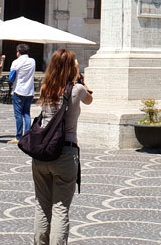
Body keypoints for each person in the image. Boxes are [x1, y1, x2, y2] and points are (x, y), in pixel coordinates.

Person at [32, 49, 93, 245]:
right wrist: (80, 77)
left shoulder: (45, 88)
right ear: (71, 67)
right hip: (66, 153)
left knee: (42, 205)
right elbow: (90, 98)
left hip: (42, 153)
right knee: (60, 208)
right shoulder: (78, 90)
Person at [10, 43, 37, 143]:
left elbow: (11, 78)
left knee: (18, 115)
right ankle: (27, 134)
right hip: (29, 91)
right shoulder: (32, 61)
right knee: (27, 113)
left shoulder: (16, 62)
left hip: (19, 90)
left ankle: (18, 136)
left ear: (18, 52)